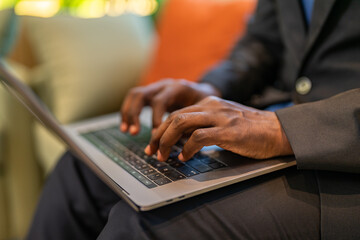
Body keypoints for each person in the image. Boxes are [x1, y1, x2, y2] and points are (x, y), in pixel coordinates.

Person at [27, 0, 360, 239]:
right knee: (83, 168)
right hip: (278, 122)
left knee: (147, 225)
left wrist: (281, 129)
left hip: (343, 163)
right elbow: (264, 43)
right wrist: (210, 87)